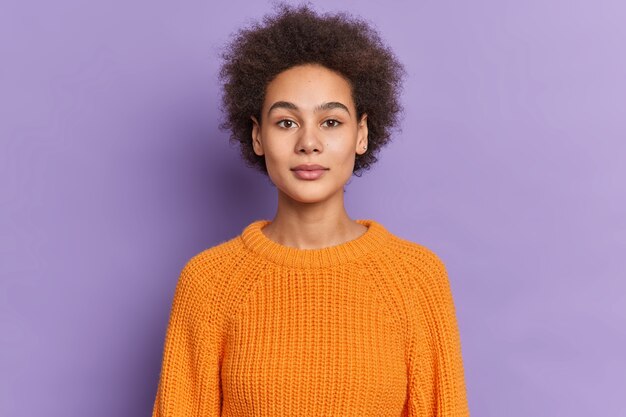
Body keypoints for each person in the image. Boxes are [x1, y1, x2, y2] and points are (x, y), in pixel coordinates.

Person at [151, 4, 470, 416]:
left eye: (331, 122)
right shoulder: (209, 283)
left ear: (362, 133)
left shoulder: (416, 278)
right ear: (257, 136)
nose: (308, 143)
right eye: (286, 122)